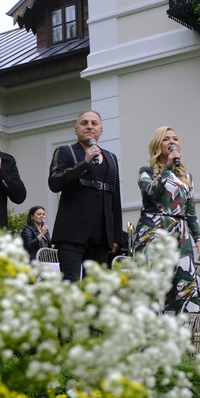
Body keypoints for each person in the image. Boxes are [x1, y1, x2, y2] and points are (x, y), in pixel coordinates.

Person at [133, 126, 200, 313]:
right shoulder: (146, 171)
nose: (172, 142)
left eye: (175, 139)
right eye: (166, 139)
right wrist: (166, 169)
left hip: (180, 235)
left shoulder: (186, 176)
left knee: (184, 284)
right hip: (154, 231)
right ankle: (151, 336)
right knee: (155, 283)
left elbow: (190, 211)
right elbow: (151, 192)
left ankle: (183, 334)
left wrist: (198, 237)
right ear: (158, 144)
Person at [48, 110, 124, 281]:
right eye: (84, 123)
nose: (89, 126)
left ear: (101, 130)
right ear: (76, 129)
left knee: (96, 288)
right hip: (72, 233)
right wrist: (84, 163)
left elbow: (115, 198)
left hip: (101, 235)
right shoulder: (65, 151)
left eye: (94, 123)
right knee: (71, 284)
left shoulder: (111, 158)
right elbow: (54, 183)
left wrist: (115, 236)